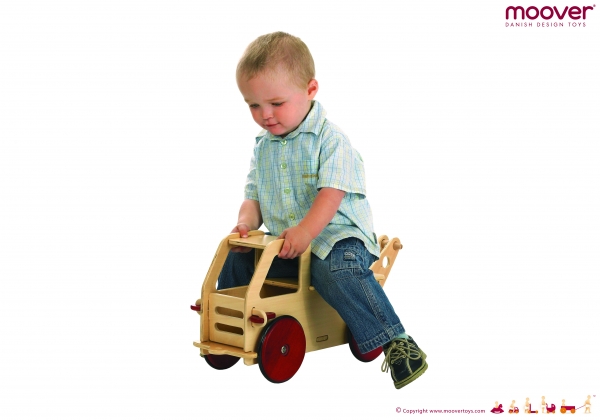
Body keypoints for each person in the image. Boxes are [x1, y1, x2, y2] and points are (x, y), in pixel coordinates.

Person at [217, 31, 427, 389]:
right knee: (237, 257)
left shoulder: (331, 141)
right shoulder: (263, 147)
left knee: (335, 270)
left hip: (337, 239)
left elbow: (330, 195)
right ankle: (230, 324)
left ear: (310, 90)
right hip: (287, 245)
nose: (265, 115)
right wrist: (245, 224)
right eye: (253, 105)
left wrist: (305, 232)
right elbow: (253, 196)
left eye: (276, 103)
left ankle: (396, 341)